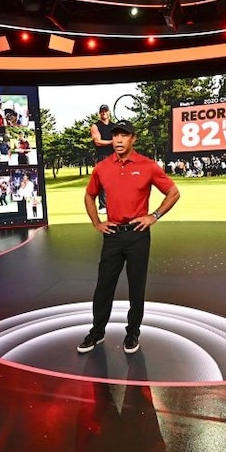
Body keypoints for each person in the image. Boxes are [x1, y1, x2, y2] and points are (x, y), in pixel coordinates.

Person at [77, 120, 180, 355]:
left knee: (136, 287)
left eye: (124, 136)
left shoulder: (148, 166)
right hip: (112, 235)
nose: (119, 140)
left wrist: (154, 216)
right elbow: (89, 195)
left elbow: (173, 192)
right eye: (115, 136)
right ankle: (97, 332)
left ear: (133, 138)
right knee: (104, 286)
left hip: (138, 235)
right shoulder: (102, 167)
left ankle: (133, 332)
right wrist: (97, 223)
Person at [90, 104, 114, 214]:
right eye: (102, 111)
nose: (104, 113)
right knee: (103, 181)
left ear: (109, 112)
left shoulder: (114, 126)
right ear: (99, 113)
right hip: (102, 156)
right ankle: (103, 206)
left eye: (105, 111)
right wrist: (112, 142)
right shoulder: (95, 126)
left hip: (114, 156)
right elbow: (97, 142)